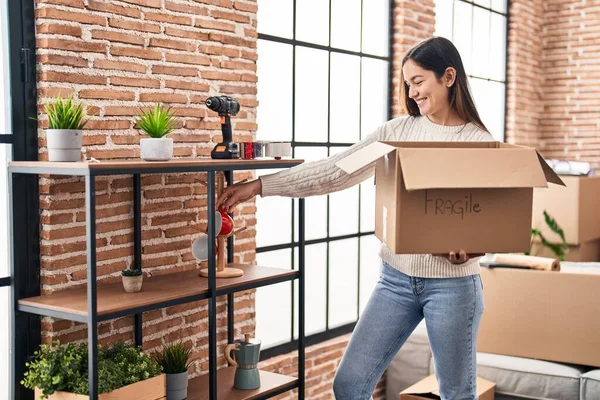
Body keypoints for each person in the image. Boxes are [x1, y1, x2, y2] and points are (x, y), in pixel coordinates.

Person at [216, 37, 494, 400]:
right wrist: (259, 186)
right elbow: (335, 171)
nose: (412, 93)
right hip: (395, 281)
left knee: (457, 394)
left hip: (454, 288)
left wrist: (473, 250)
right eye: (407, 84)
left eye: (419, 81)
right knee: (349, 384)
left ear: (449, 76)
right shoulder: (396, 133)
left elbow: (490, 221)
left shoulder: (480, 143)